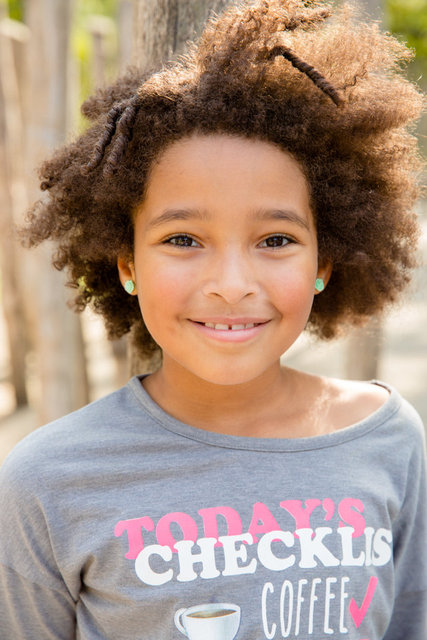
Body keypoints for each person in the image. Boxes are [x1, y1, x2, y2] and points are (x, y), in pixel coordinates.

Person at [0, 1, 426, 638]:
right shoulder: (46, 481)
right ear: (126, 264)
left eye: (276, 240)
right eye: (182, 240)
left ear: (325, 262)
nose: (232, 285)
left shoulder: (388, 439)